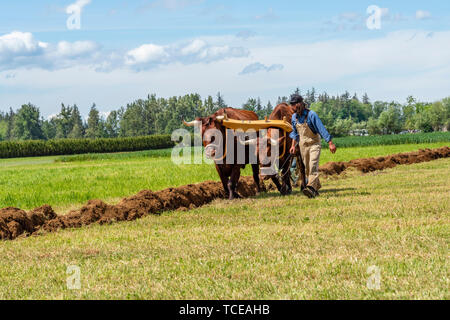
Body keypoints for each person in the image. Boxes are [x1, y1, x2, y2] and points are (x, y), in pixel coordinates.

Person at [289, 94, 337, 198]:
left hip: (314, 144)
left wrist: (330, 142)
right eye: (291, 104)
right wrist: (293, 146)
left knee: (313, 166)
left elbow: (321, 129)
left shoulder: (311, 115)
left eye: (294, 104)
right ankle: (316, 187)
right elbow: (294, 133)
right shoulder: (294, 118)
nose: (292, 107)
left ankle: (310, 188)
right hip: (302, 146)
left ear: (300, 104)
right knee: (307, 169)